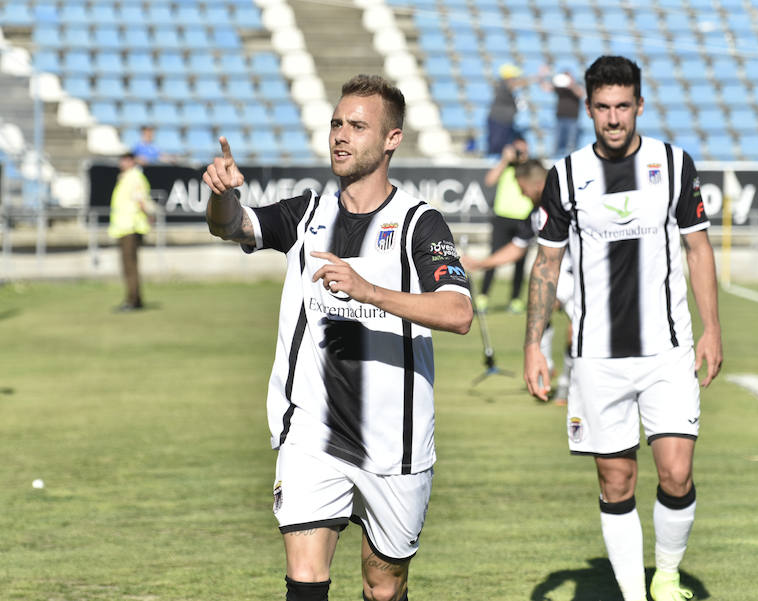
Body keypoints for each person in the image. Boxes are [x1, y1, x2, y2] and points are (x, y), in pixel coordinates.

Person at [203, 74, 473, 601]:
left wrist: (369, 290)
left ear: (392, 138)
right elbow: (231, 226)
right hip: (311, 431)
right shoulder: (307, 213)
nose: (340, 136)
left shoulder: (420, 223)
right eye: (335, 124)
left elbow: (458, 311)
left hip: (395, 443)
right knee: (306, 580)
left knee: (383, 587)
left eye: (356, 126)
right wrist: (222, 197)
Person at [522, 56, 723, 601]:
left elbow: (698, 250)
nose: (614, 118)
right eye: (604, 108)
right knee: (617, 481)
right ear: (588, 108)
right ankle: (636, 596)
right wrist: (535, 345)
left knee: (676, 472)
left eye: (623, 106)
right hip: (596, 357)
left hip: (669, 349)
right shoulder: (565, 176)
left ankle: (669, 573)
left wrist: (712, 330)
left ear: (639, 105)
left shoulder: (674, 165)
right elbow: (546, 266)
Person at [462, 159, 574, 403]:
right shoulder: (536, 214)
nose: (523, 196)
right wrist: (483, 264)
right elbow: (517, 247)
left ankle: (567, 385)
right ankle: (547, 368)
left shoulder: (572, 202)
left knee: (575, 334)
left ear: (536, 185)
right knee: (541, 313)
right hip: (559, 278)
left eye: (523, 189)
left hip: (587, 280)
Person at [476, 137, 533, 313]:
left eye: (521, 150)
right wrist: (505, 160)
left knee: (520, 262)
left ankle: (515, 299)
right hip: (502, 218)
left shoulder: (528, 168)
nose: (518, 153)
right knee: (494, 257)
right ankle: (483, 297)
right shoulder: (505, 167)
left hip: (524, 218)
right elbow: (489, 180)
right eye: (516, 150)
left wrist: (523, 161)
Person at [108, 152, 152, 311]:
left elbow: (140, 199)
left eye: (126, 160)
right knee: (130, 265)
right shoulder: (127, 177)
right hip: (125, 227)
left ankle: (132, 300)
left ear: (132, 161)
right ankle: (136, 299)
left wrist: (148, 215)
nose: (122, 163)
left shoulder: (133, 177)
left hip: (130, 227)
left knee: (129, 266)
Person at [541, 65, 585, 157]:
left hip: (572, 119)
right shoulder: (560, 87)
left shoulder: (576, 85)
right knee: (557, 143)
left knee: (571, 145)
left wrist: (571, 85)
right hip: (560, 118)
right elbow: (545, 88)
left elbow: (581, 94)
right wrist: (543, 75)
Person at [486, 63, 527, 155]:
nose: (516, 79)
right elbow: (517, 84)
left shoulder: (504, 85)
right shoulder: (503, 85)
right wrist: (537, 77)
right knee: (496, 145)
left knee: (503, 145)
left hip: (505, 121)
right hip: (499, 120)